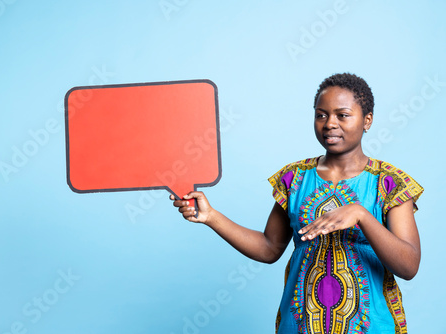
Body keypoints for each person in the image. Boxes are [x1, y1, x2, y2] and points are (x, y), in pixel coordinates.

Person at [171, 73, 423, 334]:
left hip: (371, 326)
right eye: (321, 115)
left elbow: (408, 266)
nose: (329, 124)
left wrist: (361, 215)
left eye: (342, 115)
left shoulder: (389, 183)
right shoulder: (295, 179)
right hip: (301, 326)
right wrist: (211, 216)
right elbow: (269, 248)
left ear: (367, 120)